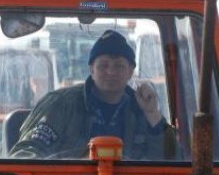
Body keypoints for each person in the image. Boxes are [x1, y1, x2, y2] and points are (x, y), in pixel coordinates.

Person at [9, 30, 176, 159]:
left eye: (119, 66)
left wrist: (152, 115)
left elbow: (171, 160)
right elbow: (26, 153)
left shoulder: (141, 109)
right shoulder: (60, 105)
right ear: (91, 69)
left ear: (130, 72)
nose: (111, 71)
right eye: (103, 65)